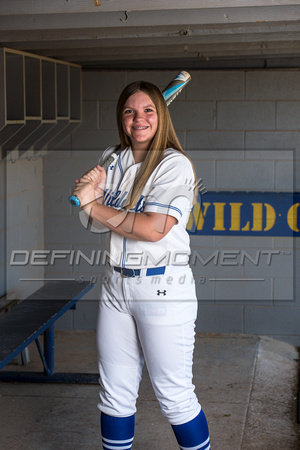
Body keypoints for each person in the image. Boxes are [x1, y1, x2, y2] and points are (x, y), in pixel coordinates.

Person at [72, 81, 211, 450]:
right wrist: (92, 191)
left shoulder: (173, 164)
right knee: (114, 395)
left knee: (174, 396)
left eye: (149, 110)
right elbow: (91, 224)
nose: (139, 118)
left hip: (162, 288)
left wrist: (92, 204)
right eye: (130, 111)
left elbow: (152, 229)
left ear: (161, 115)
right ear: (122, 118)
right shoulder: (112, 158)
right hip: (115, 287)